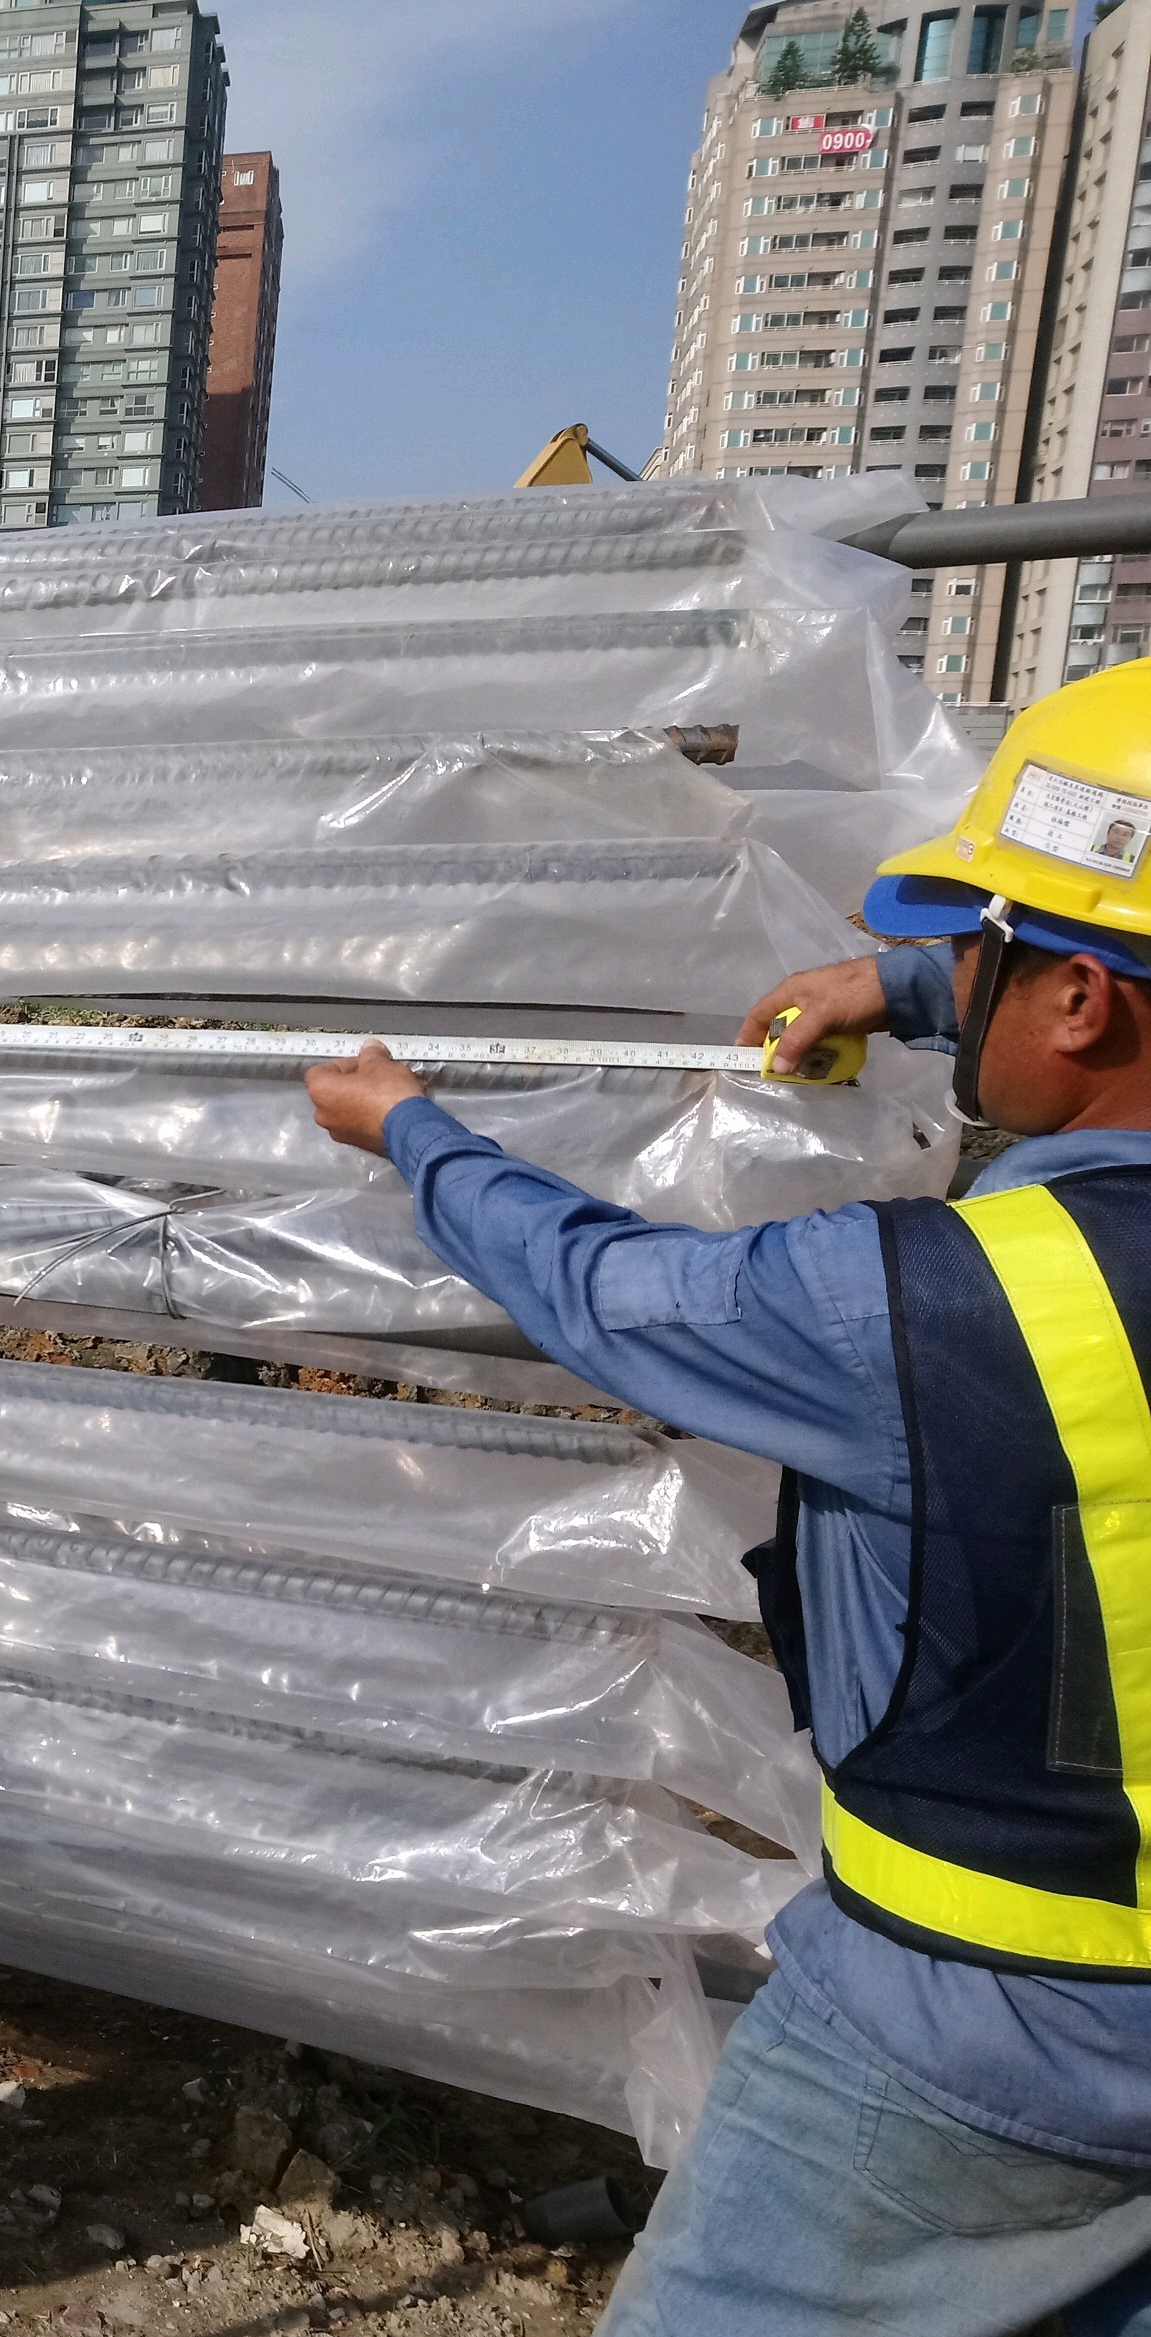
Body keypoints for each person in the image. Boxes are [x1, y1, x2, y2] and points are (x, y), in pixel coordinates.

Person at [305, 658, 1151, 2336]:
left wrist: (412, 1131)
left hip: (972, 2046)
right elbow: (1075, 990)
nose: (957, 977)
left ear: (1077, 1004)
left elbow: (613, 1294)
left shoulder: (943, 1308)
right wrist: (906, 991)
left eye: (981, 949)